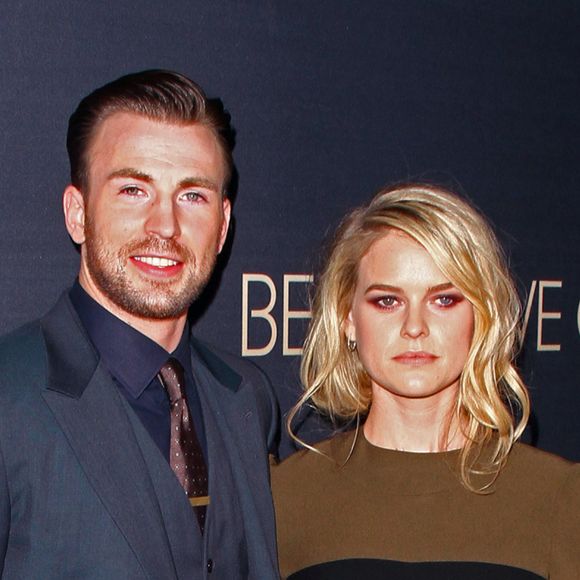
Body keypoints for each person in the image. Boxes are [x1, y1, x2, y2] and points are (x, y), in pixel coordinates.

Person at [0, 70, 279, 579]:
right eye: (133, 190)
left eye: (193, 196)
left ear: (223, 226)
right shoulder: (8, 396)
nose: (165, 226)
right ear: (77, 213)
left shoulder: (246, 398)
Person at [272, 183, 580, 579]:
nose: (414, 327)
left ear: (480, 317)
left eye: (444, 300)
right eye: (387, 300)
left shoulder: (557, 498)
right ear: (348, 318)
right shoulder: (287, 497)